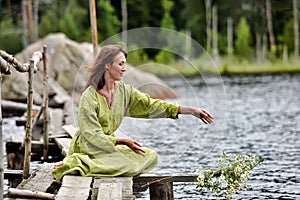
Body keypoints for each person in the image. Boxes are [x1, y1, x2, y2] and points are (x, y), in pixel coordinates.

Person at [52, 43, 213, 180]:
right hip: (89, 147)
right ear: (108, 65)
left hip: (108, 148)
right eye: (120, 64)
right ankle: (76, 163)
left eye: (125, 64)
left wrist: (190, 111)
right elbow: (92, 135)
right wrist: (122, 141)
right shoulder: (90, 96)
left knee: (149, 156)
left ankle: (94, 166)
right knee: (131, 164)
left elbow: (150, 105)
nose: (124, 69)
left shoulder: (124, 91)